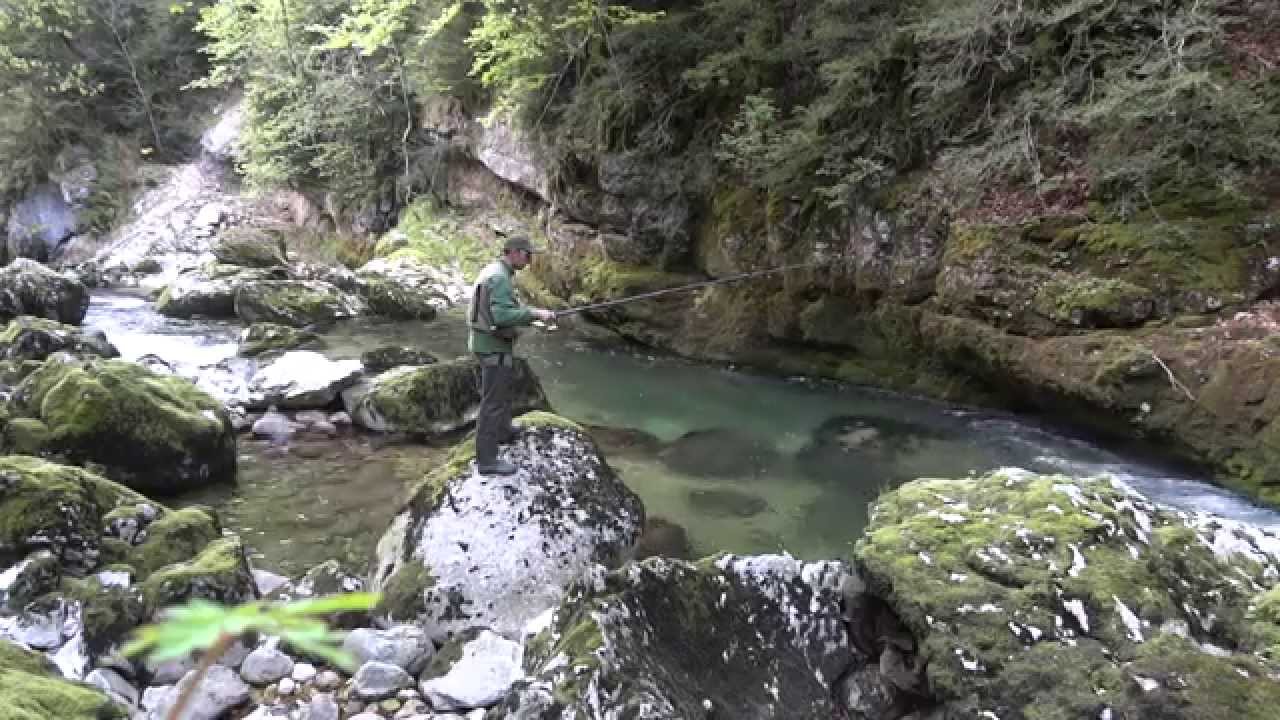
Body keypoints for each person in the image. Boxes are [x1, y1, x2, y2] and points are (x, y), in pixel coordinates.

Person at [466, 235, 556, 475]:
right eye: (527, 255)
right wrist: (535, 313)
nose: (529, 260)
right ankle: (487, 461)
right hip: (492, 346)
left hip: (491, 344)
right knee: (492, 403)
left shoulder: (497, 272)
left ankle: (504, 430)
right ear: (514, 252)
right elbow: (502, 316)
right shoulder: (499, 277)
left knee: (503, 389)